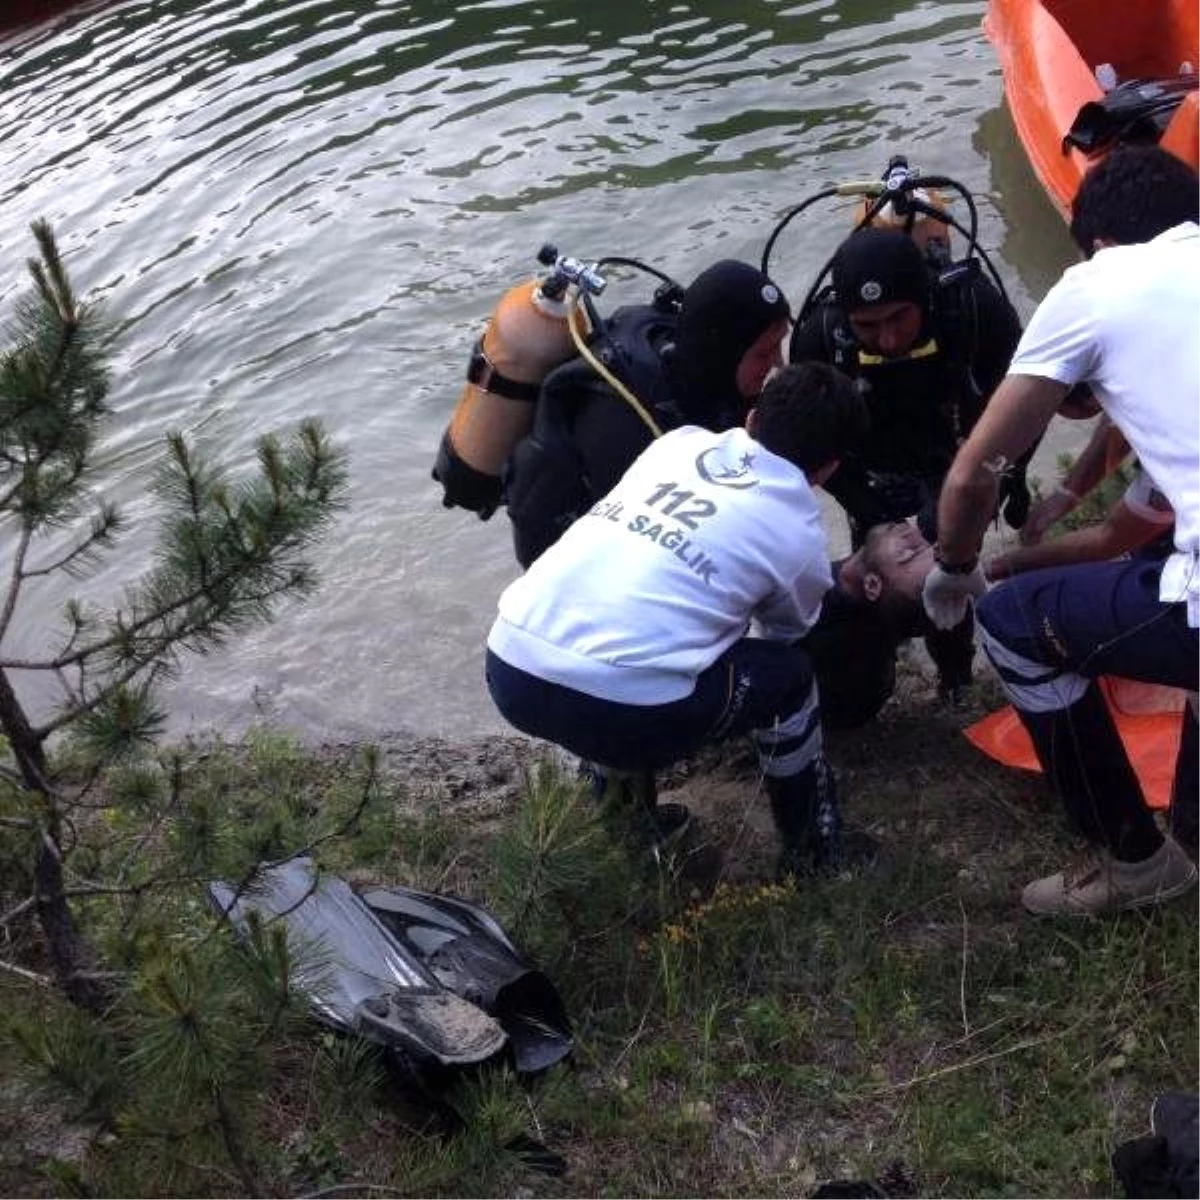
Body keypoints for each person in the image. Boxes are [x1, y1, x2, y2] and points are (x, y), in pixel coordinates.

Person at [923, 143, 1200, 916]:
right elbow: (1119, 503)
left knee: (1012, 626)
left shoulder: (1097, 283)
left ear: (1098, 243)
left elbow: (974, 471)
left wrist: (959, 564)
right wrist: (1059, 509)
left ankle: (1137, 865)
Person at [485, 361, 870, 877]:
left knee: (638, 645)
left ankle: (629, 827)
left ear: (753, 418)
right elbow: (786, 634)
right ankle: (816, 853)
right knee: (789, 683)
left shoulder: (679, 443)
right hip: (625, 708)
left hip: (511, 664)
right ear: (828, 469)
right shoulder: (798, 532)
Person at [504, 259, 791, 567]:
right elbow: (648, 558)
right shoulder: (627, 422)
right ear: (725, 351)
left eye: (779, 345)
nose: (778, 363)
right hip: (577, 563)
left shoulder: (709, 378)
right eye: (764, 352)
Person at [789, 224, 1027, 546]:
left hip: (960, 449)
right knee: (886, 571)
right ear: (846, 317)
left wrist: (1001, 480)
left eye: (899, 317)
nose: (887, 339)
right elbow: (809, 445)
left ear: (924, 297)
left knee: (956, 556)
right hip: (872, 465)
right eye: (867, 325)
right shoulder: (822, 337)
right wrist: (868, 511)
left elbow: (1026, 408)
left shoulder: (973, 307)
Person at [804, 521, 970, 729]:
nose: (912, 532)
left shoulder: (803, 604)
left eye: (907, 554)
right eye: (928, 546)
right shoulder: (872, 600)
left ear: (872, 584)